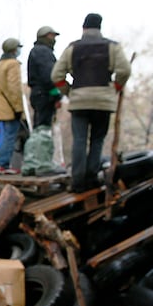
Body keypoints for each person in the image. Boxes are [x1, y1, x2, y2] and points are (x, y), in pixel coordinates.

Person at [51, 13, 131, 193]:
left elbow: (56, 75)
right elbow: (124, 70)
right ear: (100, 28)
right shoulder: (112, 47)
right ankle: (92, 179)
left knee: (79, 140)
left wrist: (68, 91)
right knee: (97, 140)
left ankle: (77, 181)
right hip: (103, 101)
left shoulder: (73, 48)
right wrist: (115, 87)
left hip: (79, 100)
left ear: (84, 28)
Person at [0, 37, 25, 175]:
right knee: (9, 137)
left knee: (3, 136)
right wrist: (18, 108)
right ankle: (3, 164)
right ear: (14, 49)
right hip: (9, 107)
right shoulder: (13, 64)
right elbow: (14, 88)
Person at [27, 25, 62, 129]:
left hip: (39, 94)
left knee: (39, 126)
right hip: (44, 95)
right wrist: (56, 96)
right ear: (44, 37)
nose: (54, 39)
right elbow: (49, 77)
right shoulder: (43, 52)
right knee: (42, 129)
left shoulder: (37, 51)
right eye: (52, 36)